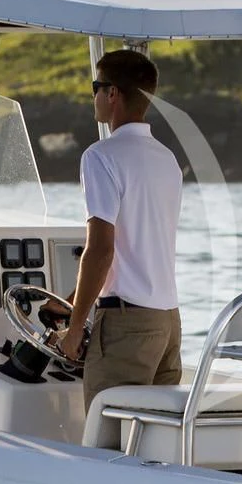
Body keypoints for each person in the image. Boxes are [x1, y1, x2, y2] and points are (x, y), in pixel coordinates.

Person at [58, 48, 183, 401]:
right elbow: (136, 251)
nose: (93, 95)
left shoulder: (100, 157)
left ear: (112, 93)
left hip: (126, 328)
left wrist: (74, 327)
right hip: (167, 324)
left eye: (95, 86)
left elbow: (101, 251)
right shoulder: (167, 159)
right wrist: (69, 302)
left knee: (107, 448)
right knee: (152, 447)